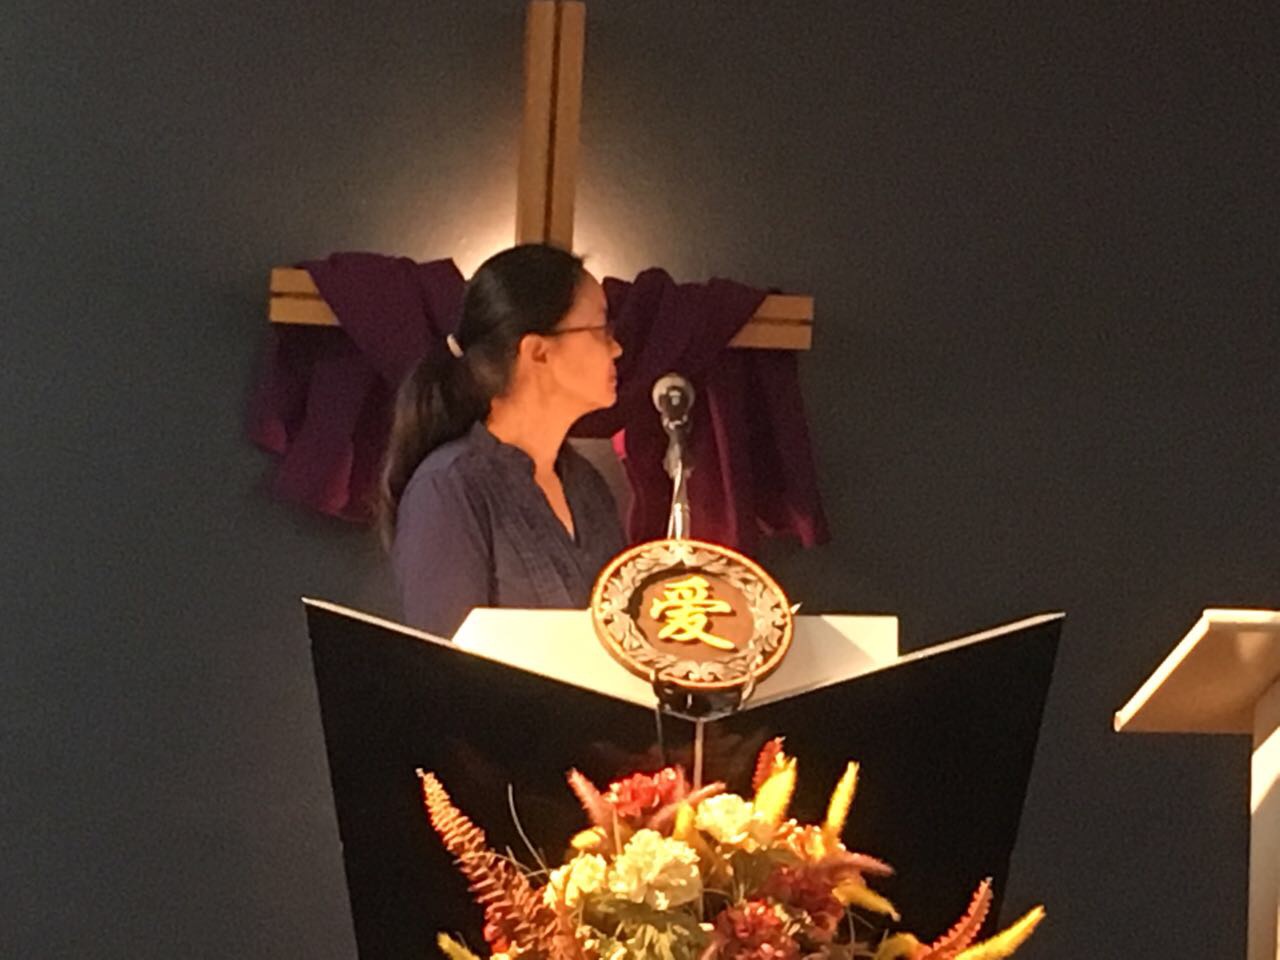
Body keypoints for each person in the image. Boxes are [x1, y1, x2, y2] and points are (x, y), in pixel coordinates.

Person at [379, 244, 626, 638]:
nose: (616, 347)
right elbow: (447, 661)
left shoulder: (588, 486)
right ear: (538, 352)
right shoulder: (449, 486)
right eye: (600, 329)